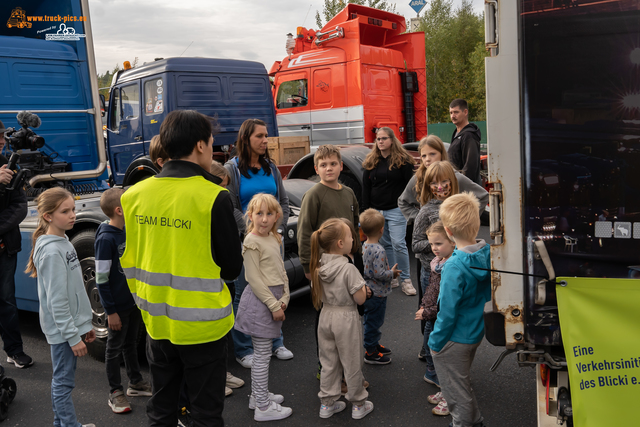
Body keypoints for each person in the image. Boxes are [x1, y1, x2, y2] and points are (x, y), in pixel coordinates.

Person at [120, 110, 243, 427]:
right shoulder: (213, 196)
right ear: (201, 145)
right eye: (212, 141)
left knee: (162, 409)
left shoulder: (133, 195)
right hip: (203, 326)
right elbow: (231, 268)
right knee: (205, 413)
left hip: (156, 323)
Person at [397, 135, 487, 360]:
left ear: (442, 155)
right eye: (424, 155)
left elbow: (481, 195)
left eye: (432, 154)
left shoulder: (454, 182)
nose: (427, 159)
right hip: (432, 267)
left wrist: (468, 224)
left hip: (455, 265)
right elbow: (416, 237)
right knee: (431, 311)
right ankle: (430, 354)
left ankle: (444, 350)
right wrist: (432, 236)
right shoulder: (423, 194)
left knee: (452, 308)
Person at [25, 187, 97, 427]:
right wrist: (72, 336)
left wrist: (84, 325)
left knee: (62, 381)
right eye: (65, 211)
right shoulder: (53, 251)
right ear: (47, 216)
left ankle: (62, 424)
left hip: (70, 328)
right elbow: (58, 301)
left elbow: (74, 289)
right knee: (63, 384)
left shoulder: (63, 241)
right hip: (62, 333)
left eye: (73, 209)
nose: (72, 215)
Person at [224, 118, 292, 369]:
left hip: (273, 241)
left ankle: (276, 342)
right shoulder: (232, 169)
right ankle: (243, 349)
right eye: (259, 136)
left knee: (275, 288)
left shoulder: (270, 168)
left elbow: (282, 202)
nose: (265, 140)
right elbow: (230, 206)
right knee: (246, 293)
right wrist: (252, 231)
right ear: (246, 139)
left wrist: (279, 230)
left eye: (266, 135)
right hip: (249, 242)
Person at [297, 144, 360, 379]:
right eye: (323, 165)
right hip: (324, 267)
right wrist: (308, 267)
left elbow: (354, 227)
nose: (329, 168)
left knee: (348, 315)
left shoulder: (349, 192)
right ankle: (325, 367)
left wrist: (358, 257)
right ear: (316, 169)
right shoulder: (313, 195)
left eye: (333, 163)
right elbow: (305, 232)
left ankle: (347, 367)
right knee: (326, 317)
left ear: (341, 166)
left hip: (348, 264)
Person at [428, 192, 490, 427]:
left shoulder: (453, 265)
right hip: (474, 331)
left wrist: (436, 342)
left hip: (453, 337)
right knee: (462, 384)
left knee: (456, 392)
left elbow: (447, 311)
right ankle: (476, 421)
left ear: (449, 232)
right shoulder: (485, 252)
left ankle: (466, 423)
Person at [234, 194, 292, 422]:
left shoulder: (274, 238)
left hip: (274, 300)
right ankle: (263, 406)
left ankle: (257, 397)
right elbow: (253, 278)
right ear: (250, 216)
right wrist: (273, 304)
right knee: (262, 354)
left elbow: (281, 270)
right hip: (261, 302)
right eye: (259, 214)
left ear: (277, 216)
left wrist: (285, 297)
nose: (264, 219)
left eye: (269, 214)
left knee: (263, 353)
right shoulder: (251, 241)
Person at [310, 218, 374, 420]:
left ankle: (327, 404)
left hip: (326, 316)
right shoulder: (348, 268)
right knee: (351, 360)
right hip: (345, 317)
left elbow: (317, 293)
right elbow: (360, 298)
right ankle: (358, 403)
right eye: (349, 236)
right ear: (340, 243)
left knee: (328, 361)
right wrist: (365, 289)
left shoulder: (319, 267)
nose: (352, 239)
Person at [95, 188, 151, 414]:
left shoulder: (126, 231)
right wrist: (110, 312)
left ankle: (135, 382)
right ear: (119, 210)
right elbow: (101, 279)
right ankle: (115, 392)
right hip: (117, 307)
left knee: (130, 344)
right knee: (114, 348)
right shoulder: (106, 239)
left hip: (133, 303)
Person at [361, 127, 416, 296]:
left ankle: (406, 280)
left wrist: (410, 206)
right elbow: (366, 188)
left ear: (392, 140)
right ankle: (393, 277)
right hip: (377, 210)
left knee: (399, 244)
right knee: (386, 246)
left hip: (396, 210)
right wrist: (366, 210)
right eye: (378, 139)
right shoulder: (371, 161)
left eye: (384, 138)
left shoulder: (403, 161)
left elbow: (411, 186)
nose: (381, 142)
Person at [0, 122, 34, 369]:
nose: (1, 141)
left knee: (7, 301)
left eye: (2, 136)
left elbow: (19, 206)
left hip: (4, 246)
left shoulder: (10, 165)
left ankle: (14, 350)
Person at [414, 221, 456, 417]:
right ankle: (444, 389)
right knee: (433, 353)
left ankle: (451, 398)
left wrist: (427, 311)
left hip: (440, 319)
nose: (434, 248)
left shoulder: (451, 266)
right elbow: (431, 290)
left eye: (438, 243)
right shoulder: (437, 263)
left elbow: (445, 300)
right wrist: (424, 304)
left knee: (445, 359)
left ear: (453, 241)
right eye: (432, 244)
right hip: (432, 315)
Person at [359, 208, 400, 365]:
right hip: (378, 293)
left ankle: (373, 344)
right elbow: (379, 273)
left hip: (368, 291)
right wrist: (392, 273)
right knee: (374, 322)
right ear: (382, 229)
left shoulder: (364, 247)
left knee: (370, 319)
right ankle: (370, 351)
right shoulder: (379, 250)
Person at [448, 99, 482, 185]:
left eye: (456, 112)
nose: (453, 116)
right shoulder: (457, 133)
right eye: (451, 113)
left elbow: (470, 167)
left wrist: (461, 185)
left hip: (465, 188)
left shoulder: (469, 135)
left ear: (465, 112)